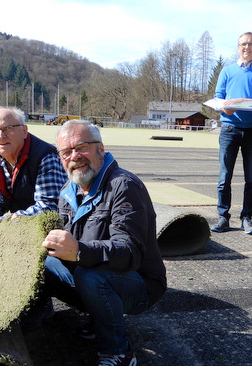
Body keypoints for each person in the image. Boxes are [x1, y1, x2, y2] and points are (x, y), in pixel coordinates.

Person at [41, 120, 167, 366]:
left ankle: (119, 353)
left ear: (100, 148)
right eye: (66, 152)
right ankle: (99, 317)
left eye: (82, 147)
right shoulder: (69, 189)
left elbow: (129, 251)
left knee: (91, 277)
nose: (75, 156)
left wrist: (79, 251)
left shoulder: (124, 185)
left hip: (140, 283)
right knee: (44, 264)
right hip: (95, 269)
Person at [0, 106, 67, 230]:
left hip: (53, 232)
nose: (1, 136)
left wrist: (6, 221)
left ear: (24, 131)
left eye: (8, 128)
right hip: (22, 229)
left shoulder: (45, 157)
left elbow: (49, 207)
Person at [211, 32, 252, 235]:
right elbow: (219, 98)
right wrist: (225, 106)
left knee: (251, 178)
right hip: (229, 129)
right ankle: (223, 217)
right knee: (224, 177)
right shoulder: (227, 72)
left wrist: (236, 102)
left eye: (251, 44)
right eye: (243, 44)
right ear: (238, 47)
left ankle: (247, 217)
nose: (247, 47)